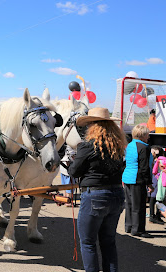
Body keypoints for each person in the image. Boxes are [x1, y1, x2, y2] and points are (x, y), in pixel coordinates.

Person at [68, 107, 126, 272]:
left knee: (88, 242)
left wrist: (74, 161)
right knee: (108, 242)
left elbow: (74, 171)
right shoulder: (117, 145)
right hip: (117, 194)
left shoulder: (88, 146)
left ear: (93, 126)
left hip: (95, 196)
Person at [122, 124, 154, 238]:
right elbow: (144, 167)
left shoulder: (130, 145)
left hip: (127, 178)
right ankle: (138, 230)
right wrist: (149, 183)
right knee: (139, 206)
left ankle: (129, 226)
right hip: (137, 178)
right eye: (147, 134)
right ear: (143, 135)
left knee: (130, 204)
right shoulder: (144, 147)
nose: (148, 137)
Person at [148, 146, 164, 224]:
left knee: (153, 198)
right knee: (157, 198)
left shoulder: (153, 161)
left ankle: (153, 215)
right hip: (157, 181)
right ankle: (155, 215)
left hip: (154, 180)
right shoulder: (160, 161)